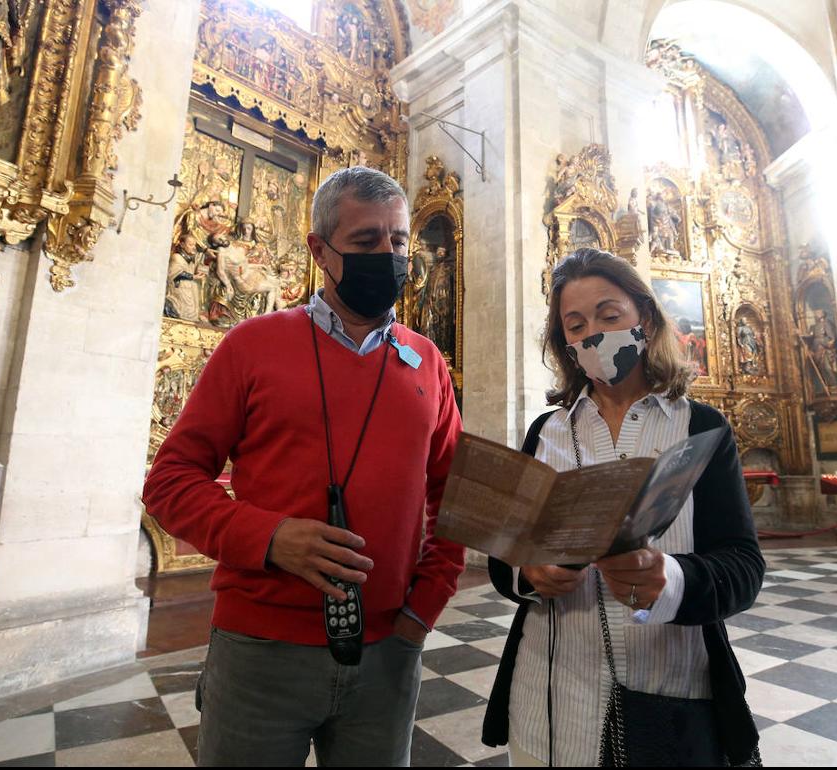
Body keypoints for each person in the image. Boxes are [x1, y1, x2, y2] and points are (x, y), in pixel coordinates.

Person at [144, 167, 466, 767]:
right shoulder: (252, 344)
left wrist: (428, 602)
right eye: (366, 242)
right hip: (260, 647)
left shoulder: (427, 363)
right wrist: (268, 537)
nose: (389, 256)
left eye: (398, 242)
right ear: (321, 251)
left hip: (389, 650)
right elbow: (169, 481)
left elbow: (454, 495)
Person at [481, 248, 764, 766]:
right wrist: (527, 570)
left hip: (671, 694)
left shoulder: (700, 427)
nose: (593, 334)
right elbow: (505, 559)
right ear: (564, 342)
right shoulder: (546, 432)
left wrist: (672, 579)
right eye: (576, 324)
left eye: (610, 316)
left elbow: (743, 567)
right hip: (550, 697)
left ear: (645, 317)